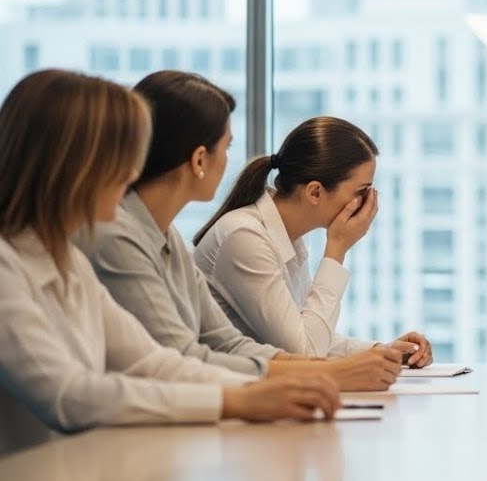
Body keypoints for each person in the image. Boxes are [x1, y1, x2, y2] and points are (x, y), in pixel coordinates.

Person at [0, 69, 339, 456]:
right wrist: (238, 400)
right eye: (121, 158)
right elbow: (69, 395)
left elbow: (152, 362)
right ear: (73, 167)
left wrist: (260, 390)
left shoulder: (69, 262)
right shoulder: (9, 266)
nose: (132, 172)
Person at [78, 71, 403, 390]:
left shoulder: (168, 238)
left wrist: (368, 358)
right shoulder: (129, 235)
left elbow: (228, 343)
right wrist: (330, 373)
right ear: (200, 160)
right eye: (227, 147)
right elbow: (182, 357)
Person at [193, 116, 431, 363]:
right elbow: (305, 352)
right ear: (315, 192)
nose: (368, 202)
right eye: (361, 192)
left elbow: (310, 333)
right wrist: (336, 249)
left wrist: (385, 351)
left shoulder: (287, 237)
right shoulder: (244, 237)